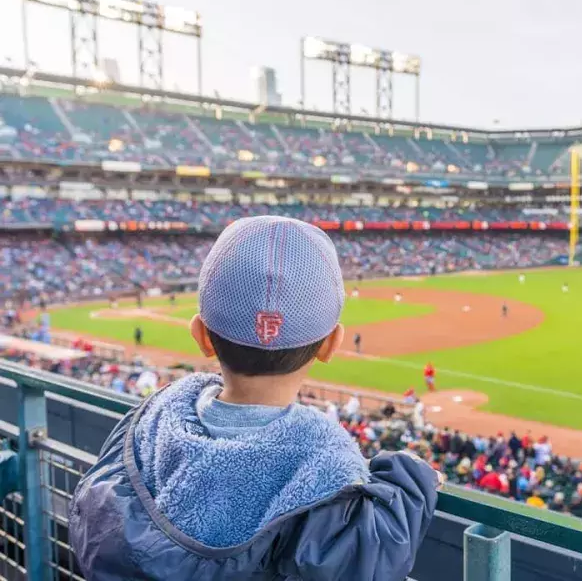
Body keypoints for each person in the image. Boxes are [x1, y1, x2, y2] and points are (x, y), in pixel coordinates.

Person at [69, 216, 441, 580]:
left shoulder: (149, 422)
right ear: (331, 345)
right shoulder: (330, 466)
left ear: (200, 336)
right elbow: (371, 559)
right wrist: (411, 477)